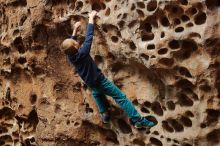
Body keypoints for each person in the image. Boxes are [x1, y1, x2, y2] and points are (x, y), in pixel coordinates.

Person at [60, 10, 156, 128]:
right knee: (121, 98)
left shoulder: (71, 57)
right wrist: (91, 18)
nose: (76, 41)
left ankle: (104, 114)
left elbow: (70, 44)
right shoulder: (83, 53)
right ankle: (138, 120)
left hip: (90, 82)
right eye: (75, 42)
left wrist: (74, 30)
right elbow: (89, 37)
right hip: (100, 81)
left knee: (97, 93)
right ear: (76, 46)